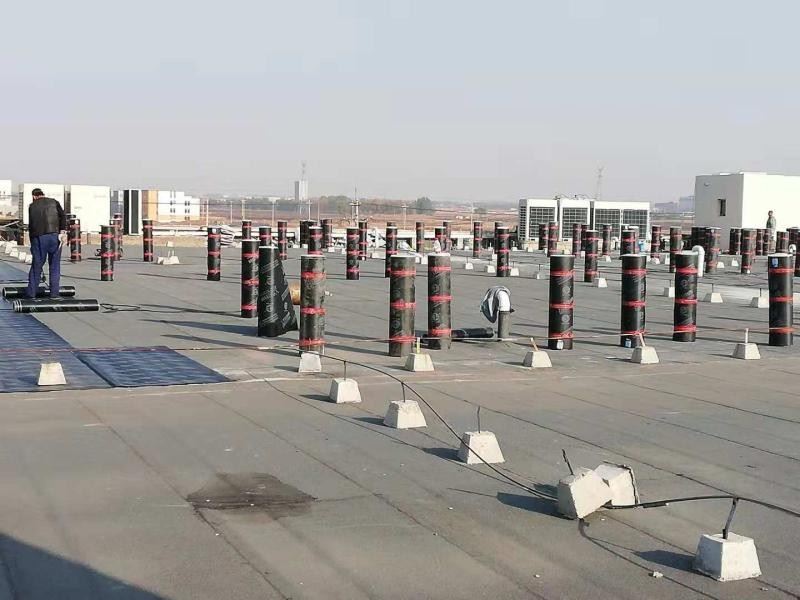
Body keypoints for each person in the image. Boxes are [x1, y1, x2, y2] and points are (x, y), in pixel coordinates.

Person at [26, 188, 66, 299]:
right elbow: (63, 216)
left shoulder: (32, 206)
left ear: (34, 196)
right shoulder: (54, 202)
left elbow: (31, 225)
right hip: (55, 236)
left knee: (37, 265)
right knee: (55, 266)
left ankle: (31, 294)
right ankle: (54, 294)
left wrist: (32, 243)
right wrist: (62, 232)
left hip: (39, 237)